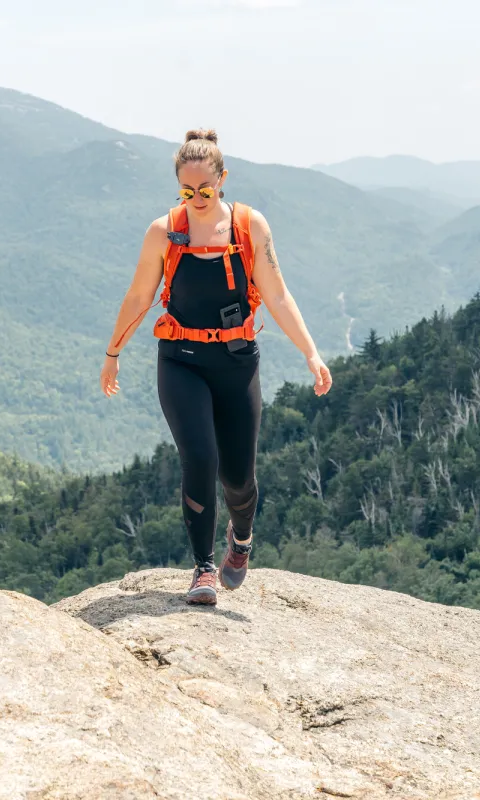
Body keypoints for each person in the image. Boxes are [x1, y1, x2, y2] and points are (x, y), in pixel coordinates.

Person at [100, 128, 332, 605]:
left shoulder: (250, 227)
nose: (197, 199)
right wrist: (113, 353)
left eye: (206, 189)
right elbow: (140, 297)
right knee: (199, 459)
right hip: (180, 360)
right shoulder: (164, 231)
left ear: (223, 179)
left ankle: (240, 540)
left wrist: (310, 352)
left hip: (236, 361)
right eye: (187, 191)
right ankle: (203, 568)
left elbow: (277, 295)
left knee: (239, 478)